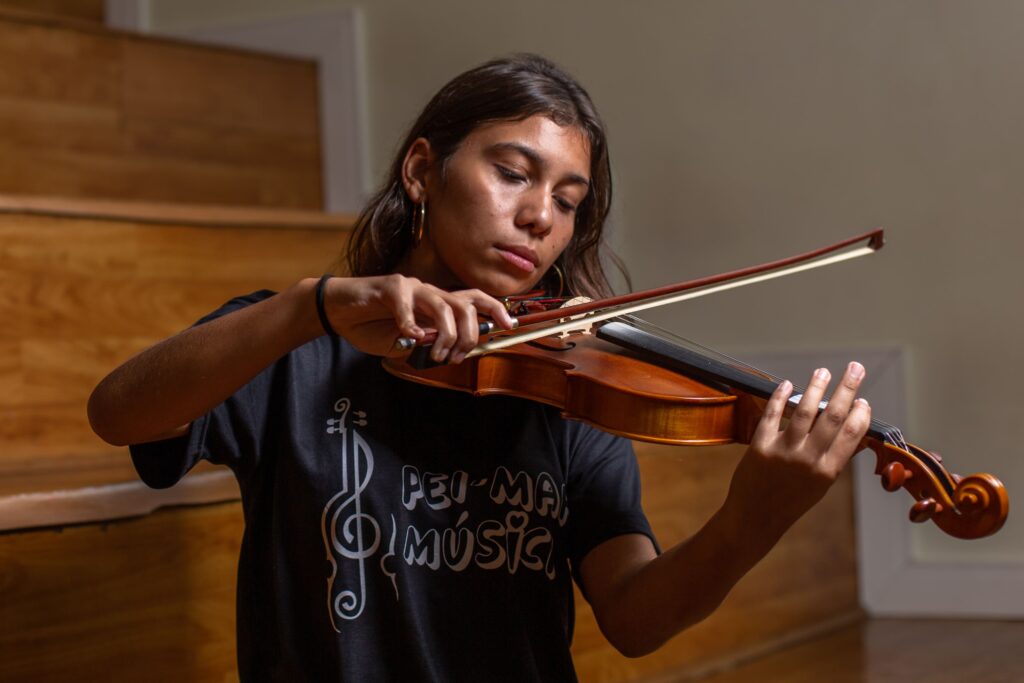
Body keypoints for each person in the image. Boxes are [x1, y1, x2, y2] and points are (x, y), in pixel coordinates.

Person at [88, 54, 871, 681]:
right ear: (422, 170)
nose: (540, 218)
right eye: (513, 172)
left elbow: (636, 619)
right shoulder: (296, 344)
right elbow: (119, 412)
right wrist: (308, 306)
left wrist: (754, 518)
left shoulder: (569, 383)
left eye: (568, 201)